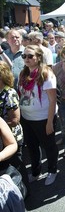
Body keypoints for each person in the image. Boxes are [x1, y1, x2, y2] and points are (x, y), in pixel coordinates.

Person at [18, 45, 58, 186]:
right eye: (24, 56)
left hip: (43, 118)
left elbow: (53, 100)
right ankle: (36, 172)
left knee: (49, 146)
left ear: (38, 57)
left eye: (30, 56)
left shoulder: (46, 74)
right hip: (26, 118)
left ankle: (52, 170)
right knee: (32, 147)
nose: (26, 59)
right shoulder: (23, 74)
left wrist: (49, 122)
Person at [0, 61, 29, 194]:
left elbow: (15, 120)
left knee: (17, 165)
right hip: (2, 138)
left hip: (13, 137)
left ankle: (24, 189)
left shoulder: (9, 93)